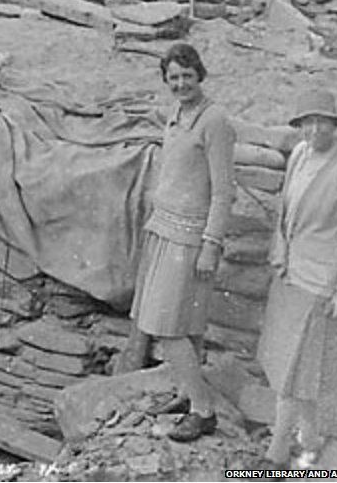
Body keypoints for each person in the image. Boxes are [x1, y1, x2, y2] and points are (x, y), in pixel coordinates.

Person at [256, 89, 337, 469]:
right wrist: (279, 251)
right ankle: (309, 438)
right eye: (307, 121)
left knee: (293, 374)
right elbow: (285, 211)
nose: (314, 129)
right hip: (291, 277)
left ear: (335, 124)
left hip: (320, 284)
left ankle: (275, 457)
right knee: (293, 368)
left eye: (322, 120)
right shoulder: (300, 156)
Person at [127, 43, 236, 441]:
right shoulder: (174, 115)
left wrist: (212, 243)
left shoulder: (215, 121)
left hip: (190, 238)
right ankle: (187, 393)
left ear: (200, 75)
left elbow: (224, 191)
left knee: (168, 327)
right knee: (181, 325)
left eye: (187, 76)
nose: (180, 84)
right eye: (172, 77)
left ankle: (203, 411)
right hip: (164, 229)